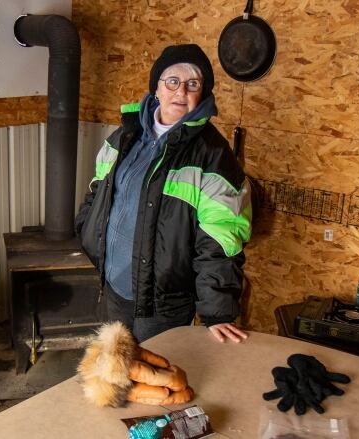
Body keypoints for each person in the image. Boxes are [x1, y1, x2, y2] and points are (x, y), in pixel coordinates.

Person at [75, 43, 252, 343]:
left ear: (203, 93)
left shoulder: (213, 155)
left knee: (156, 380)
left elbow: (221, 238)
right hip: (115, 285)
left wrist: (216, 311)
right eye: (172, 81)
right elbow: (98, 190)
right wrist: (87, 230)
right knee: (115, 370)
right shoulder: (126, 135)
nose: (180, 92)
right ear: (156, 88)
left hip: (163, 302)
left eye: (192, 83)